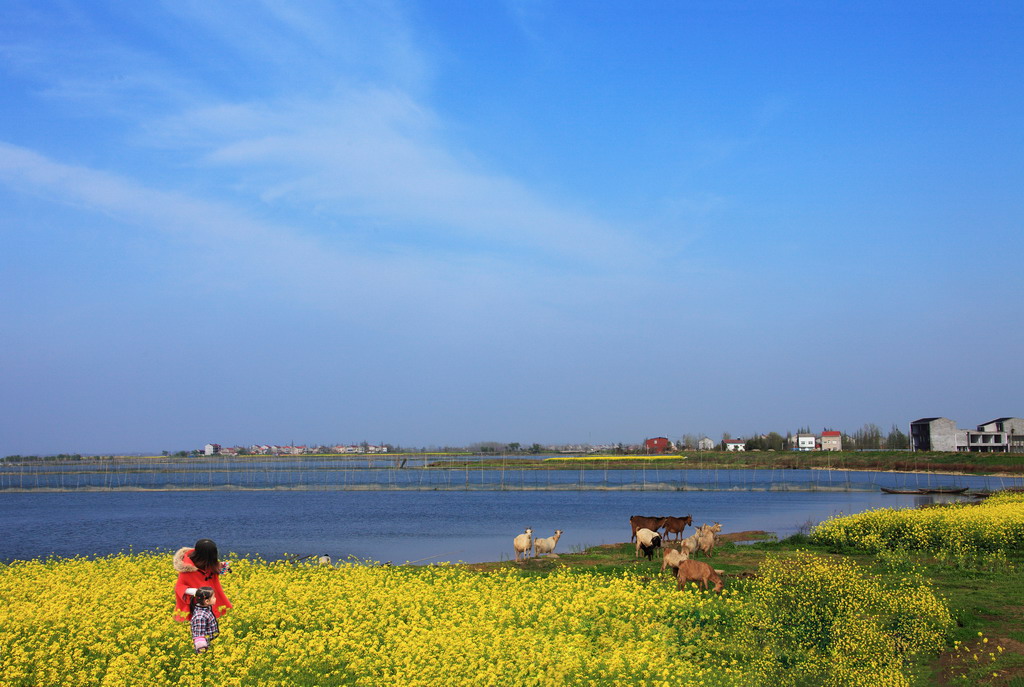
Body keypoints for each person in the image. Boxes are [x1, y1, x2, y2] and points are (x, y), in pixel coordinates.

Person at [173, 538, 232, 623]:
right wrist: (197, 591)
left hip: (213, 601)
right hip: (197, 604)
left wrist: (223, 567)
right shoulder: (187, 569)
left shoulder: (209, 564)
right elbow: (179, 587)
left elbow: (214, 569)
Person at [189, 587, 219, 653]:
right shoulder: (200, 616)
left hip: (212, 644)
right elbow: (199, 637)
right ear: (207, 601)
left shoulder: (206, 609)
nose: (215, 599)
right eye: (213, 597)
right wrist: (203, 652)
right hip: (206, 648)